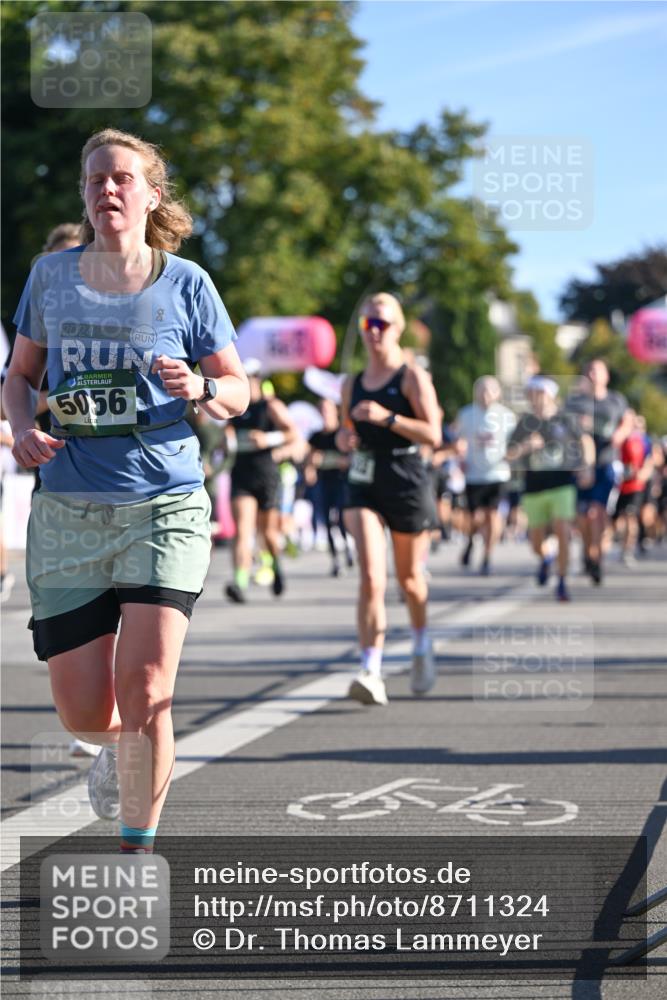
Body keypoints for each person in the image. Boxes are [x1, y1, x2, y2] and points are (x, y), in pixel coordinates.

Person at [4, 128, 249, 853]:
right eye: (94, 180)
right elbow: (18, 378)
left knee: (146, 692)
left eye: (121, 178)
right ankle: (111, 747)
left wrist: (204, 386)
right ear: (84, 195)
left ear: (151, 194)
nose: (107, 190)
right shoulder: (51, 277)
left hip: (164, 503)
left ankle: (136, 846)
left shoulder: (187, 282)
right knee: (85, 714)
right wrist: (21, 428)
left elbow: (239, 388)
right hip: (70, 509)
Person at [337, 293, 442, 705]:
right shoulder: (352, 383)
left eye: (382, 324)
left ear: (398, 329)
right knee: (371, 576)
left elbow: (434, 434)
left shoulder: (412, 377)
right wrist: (346, 437)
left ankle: (420, 642)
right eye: (368, 324)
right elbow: (347, 431)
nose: (374, 332)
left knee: (410, 580)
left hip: (406, 477)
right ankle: (371, 668)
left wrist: (389, 418)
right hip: (364, 478)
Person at [507, 376, 595, 602]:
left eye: (540, 393)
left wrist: (586, 466)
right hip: (534, 487)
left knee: (562, 531)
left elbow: (585, 441)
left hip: (562, 484)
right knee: (536, 542)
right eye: (532, 393)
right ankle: (546, 559)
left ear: (551, 395)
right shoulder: (525, 422)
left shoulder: (566, 419)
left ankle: (562, 581)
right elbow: (509, 454)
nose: (536, 398)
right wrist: (526, 446)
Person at [224, 359, 299, 603]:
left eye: (250, 376)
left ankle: (276, 567)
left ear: (257, 379)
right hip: (242, 474)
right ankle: (240, 582)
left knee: (267, 533)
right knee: (243, 530)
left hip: (267, 475)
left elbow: (292, 433)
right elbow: (225, 439)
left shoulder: (271, 406)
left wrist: (268, 438)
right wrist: (225, 443)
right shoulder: (235, 408)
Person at [566, 360, 632, 584]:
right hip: (582, 465)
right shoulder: (575, 401)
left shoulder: (615, 400)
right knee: (583, 517)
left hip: (606, 463)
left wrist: (619, 435)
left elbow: (628, 421)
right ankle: (589, 551)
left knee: (597, 513)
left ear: (606, 376)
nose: (592, 374)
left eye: (597, 370)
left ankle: (596, 557)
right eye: (588, 370)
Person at [453, 376, 517, 575]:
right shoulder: (466, 414)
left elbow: (515, 444)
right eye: (481, 390)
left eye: (490, 390)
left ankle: (487, 556)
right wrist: (459, 459)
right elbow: (455, 439)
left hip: (498, 474)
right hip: (474, 474)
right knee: (475, 518)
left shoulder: (507, 416)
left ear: (498, 394)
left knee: (494, 516)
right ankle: (472, 540)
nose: (485, 395)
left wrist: (512, 454)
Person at [306, 397, 354, 576]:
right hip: (324, 482)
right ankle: (335, 560)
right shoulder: (316, 437)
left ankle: (348, 548)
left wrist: (330, 460)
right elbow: (310, 459)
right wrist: (310, 467)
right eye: (322, 410)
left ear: (335, 411)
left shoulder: (342, 434)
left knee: (341, 518)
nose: (325, 414)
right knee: (326, 520)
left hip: (342, 482)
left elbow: (351, 458)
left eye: (328, 410)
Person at [612, 410, 654, 565]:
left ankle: (628, 549)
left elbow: (650, 460)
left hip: (635, 486)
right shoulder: (620, 438)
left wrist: (643, 474)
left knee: (631, 516)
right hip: (618, 486)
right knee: (617, 520)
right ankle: (620, 545)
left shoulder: (643, 441)